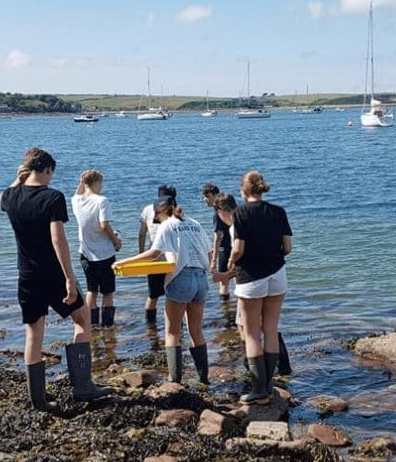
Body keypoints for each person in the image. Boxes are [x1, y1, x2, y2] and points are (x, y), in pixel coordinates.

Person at [0, 148, 112, 412]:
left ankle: (39, 400)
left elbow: (3, 197)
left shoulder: (10, 196)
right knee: (83, 319)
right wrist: (70, 279)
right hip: (52, 274)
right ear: (48, 170)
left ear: (26, 170)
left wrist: (18, 178)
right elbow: (57, 240)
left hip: (26, 276)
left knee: (33, 335)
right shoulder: (53, 197)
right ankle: (83, 385)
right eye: (51, 174)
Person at [214, 171, 292, 405]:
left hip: (251, 277)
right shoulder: (278, 211)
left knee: (250, 334)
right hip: (278, 274)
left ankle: (259, 389)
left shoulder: (240, 214)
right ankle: (269, 384)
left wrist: (230, 263)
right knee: (270, 329)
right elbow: (287, 247)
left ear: (243, 191)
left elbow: (238, 248)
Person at [118, 198, 212, 384]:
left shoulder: (167, 225)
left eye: (156, 217)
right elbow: (209, 254)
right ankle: (204, 379)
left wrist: (124, 262)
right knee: (196, 331)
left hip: (181, 279)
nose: (156, 221)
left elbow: (153, 253)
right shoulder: (194, 223)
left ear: (160, 212)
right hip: (201, 278)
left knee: (172, 333)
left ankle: (174, 380)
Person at [72, 169, 122, 328]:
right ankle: (107, 326)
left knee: (91, 290)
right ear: (96, 183)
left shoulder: (76, 201)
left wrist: (81, 182)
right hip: (104, 253)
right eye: (101, 183)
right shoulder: (102, 201)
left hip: (85, 253)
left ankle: (91, 325)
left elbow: (77, 193)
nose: (102, 186)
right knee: (107, 292)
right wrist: (116, 240)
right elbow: (104, 225)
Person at [138, 185, 177, 326]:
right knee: (174, 295)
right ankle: (176, 324)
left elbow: (142, 233)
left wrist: (141, 253)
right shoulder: (174, 211)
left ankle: (150, 326)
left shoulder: (147, 210)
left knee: (152, 295)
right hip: (172, 257)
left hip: (153, 256)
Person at [203, 183, 232, 300]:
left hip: (224, 249)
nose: (205, 199)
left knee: (223, 282)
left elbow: (217, 237)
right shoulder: (229, 209)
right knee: (237, 277)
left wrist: (213, 260)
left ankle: (226, 311)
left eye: (207, 196)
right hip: (237, 246)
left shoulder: (217, 213)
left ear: (216, 195)